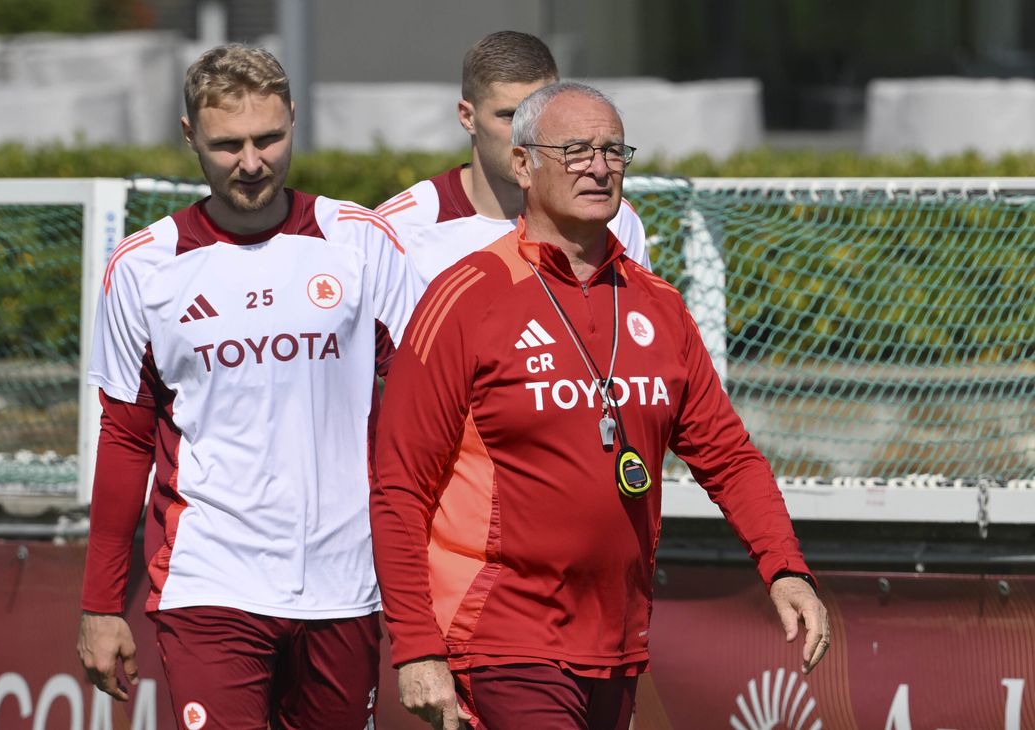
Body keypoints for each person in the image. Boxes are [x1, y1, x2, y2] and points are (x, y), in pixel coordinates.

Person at [370, 81, 829, 730]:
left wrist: (785, 569)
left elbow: (729, 457)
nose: (599, 166)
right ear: (523, 165)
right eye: (576, 150)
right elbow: (399, 486)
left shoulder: (657, 304)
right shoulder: (467, 296)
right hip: (501, 636)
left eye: (614, 150)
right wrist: (416, 645)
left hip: (616, 642)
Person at [75, 43, 417, 730]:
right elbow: (125, 438)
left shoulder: (361, 242)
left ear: (294, 119)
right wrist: (101, 604)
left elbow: (425, 411)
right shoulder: (144, 266)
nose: (253, 162)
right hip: (209, 579)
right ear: (189, 136)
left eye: (269, 138)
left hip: (345, 580)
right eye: (228, 145)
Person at [375, 30, 652, 287]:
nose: (525, 132)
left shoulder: (611, 216)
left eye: (540, 114)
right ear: (467, 117)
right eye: (510, 115)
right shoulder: (399, 228)